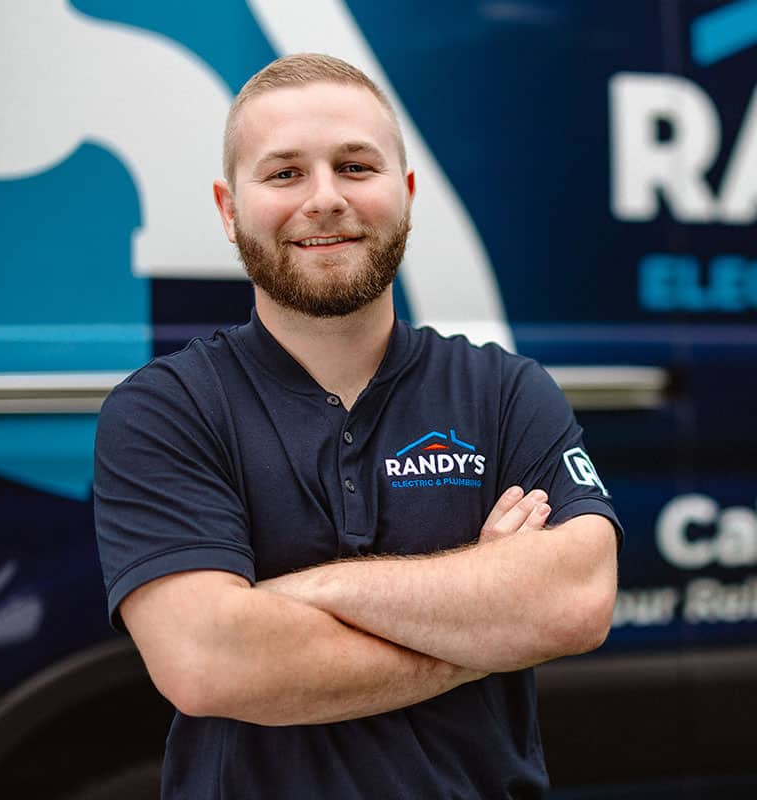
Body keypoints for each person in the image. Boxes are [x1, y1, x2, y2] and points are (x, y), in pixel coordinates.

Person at [94, 53, 621, 799]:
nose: (324, 199)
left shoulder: (506, 391)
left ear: (405, 195)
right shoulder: (164, 411)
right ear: (227, 208)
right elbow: (207, 660)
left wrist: (286, 598)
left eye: (355, 167)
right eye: (283, 174)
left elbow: (576, 602)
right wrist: (485, 624)